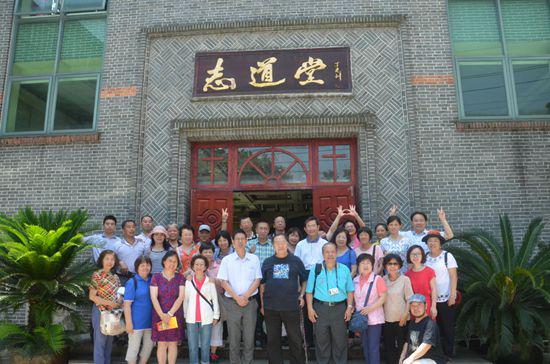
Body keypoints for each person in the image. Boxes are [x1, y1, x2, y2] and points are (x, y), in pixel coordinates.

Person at [260, 234, 308, 364]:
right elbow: (262, 284)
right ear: (273, 245)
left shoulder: (296, 261)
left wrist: (301, 295)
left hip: (291, 306)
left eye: (282, 242)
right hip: (271, 307)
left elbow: (304, 280)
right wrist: (263, 305)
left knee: (295, 339)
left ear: (286, 244)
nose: (280, 245)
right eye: (277, 243)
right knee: (273, 340)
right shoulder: (268, 262)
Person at [217, 229, 262, 364]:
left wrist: (245, 297)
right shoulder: (227, 260)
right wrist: (237, 298)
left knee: (249, 338)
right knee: (234, 338)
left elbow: (257, 280)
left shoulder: (254, 259)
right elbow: (223, 282)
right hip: (232, 303)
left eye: (243, 239)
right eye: (237, 239)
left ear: (246, 241)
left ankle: (247, 362)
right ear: (233, 242)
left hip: (250, 303)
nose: (240, 241)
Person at [305, 243, 354, 364]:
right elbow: (309, 291)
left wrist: (349, 308)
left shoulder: (344, 269)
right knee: (321, 340)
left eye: (332, 252)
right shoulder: (316, 269)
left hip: (340, 309)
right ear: (323, 254)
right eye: (327, 252)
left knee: (340, 339)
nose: (330, 254)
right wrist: (310, 309)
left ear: (336, 253)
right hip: (320, 309)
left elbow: (350, 290)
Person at [293, 216, 328, 347]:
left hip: (321, 277)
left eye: (314, 226)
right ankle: (308, 340)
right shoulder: (300, 244)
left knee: (320, 308)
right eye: (309, 226)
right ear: (305, 229)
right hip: (305, 277)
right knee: (306, 309)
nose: (312, 228)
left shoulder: (324, 243)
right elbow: (296, 264)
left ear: (318, 227)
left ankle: (321, 340)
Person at [425, 230, 458, 359]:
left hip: (445, 298)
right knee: (433, 328)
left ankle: (448, 354)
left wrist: (452, 295)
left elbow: (453, 277)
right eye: (430, 241)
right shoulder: (425, 257)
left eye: (435, 241)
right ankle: (436, 354)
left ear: (440, 243)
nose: (432, 243)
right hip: (430, 299)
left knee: (447, 327)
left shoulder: (447, 256)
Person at [184, 255, 220, 364]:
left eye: (201, 264)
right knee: (192, 346)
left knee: (205, 345)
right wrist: (185, 315)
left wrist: (216, 316)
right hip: (191, 318)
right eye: (196, 264)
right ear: (193, 267)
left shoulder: (210, 282)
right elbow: (185, 300)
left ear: (205, 267)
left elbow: (215, 299)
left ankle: (205, 362)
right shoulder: (188, 282)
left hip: (207, 318)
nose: (199, 267)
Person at [150, 251, 185, 364]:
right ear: (164, 262)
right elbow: (154, 297)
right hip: (159, 315)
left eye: (175, 262)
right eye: (170, 261)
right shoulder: (156, 277)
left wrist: (169, 314)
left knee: (173, 343)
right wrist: (162, 315)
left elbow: (181, 297)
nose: (172, 263)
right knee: (162, 343)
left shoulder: (180, 277)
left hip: (174, 315)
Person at [89, 250, 122, 364]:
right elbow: (92, 296)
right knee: (100, 342)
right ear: (102, 260)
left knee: (109, 342)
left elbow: (119, 294)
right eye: (107, 259)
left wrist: (119, 301)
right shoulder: (96, 275)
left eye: (112, 259)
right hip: (100, 312)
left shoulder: (116, 277)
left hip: (113, 313)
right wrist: (109, 303)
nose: (110, 261)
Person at [353, 253, 387, 364]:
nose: (365, 265)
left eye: (368, 263)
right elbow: (354, 300)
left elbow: (383, 298)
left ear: (373, 265)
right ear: (358, 266)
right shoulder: (355, 280)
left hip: (374, 319)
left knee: (373, 347)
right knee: (365, 346)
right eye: (362, 263)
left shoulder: (378, 279)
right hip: (361, 319)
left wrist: (370, 309)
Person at [246, 219, 274, 347]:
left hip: (269, 284)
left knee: (268, 311)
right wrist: (249, 254)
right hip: (252, 284)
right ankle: (256, 337)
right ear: (256, 230)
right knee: (254, 312)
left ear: (268, 231)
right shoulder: (249, 244)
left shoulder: (273, 245)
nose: (263, 231)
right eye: (260, 228)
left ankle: (267, 337)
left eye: (265, 229)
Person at [383, 254, 413, 364]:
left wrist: (406, 314)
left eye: (395, 264)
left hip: (402, 318)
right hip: (386, 318)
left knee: (402, 345)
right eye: (389, 264)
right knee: (389, 346)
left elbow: (410, 298)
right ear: (385, 266)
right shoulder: (382, 280)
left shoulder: (405, 279)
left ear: (400, 265)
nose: (392, 266)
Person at [124, 256, 154, 364]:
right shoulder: (132, 282)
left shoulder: (153, 280)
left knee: (148, 347)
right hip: (136, 323)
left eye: (147, 265)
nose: (145, 267)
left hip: (151, 322)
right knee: (133, 349)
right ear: (137, 267)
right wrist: (128, 323)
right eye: (142, 265)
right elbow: (126, 305)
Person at [400, 294, 445, 364]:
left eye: (419, 305)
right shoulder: (412, 323)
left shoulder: (430, 323)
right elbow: (407, 342)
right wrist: (402, 357)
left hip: (432, 359)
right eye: (413, 306)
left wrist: (410, 359)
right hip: (416, 358)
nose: (416, 308)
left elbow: (426, 345)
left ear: (426, 306)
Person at [199, 242, 224, 362]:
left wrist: (215, 280)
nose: (208, 254)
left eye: (210, 251)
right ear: (201, 253)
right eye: (205, 252)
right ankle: (203, 351)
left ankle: (213, 353)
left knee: (216, 326)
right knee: (202, 326)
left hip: (217, 300)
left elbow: (225, 282)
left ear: (214, 253)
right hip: (201, 302)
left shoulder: (219, 266)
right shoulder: (197, 266)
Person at [388, 206, 454, 251]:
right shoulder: (406, 235)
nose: (418, 223)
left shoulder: (431, 234)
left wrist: (443, 219)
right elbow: (393, 231)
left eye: (421, 220)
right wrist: (392, 216)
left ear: (425, 222)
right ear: (412, 222)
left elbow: (449, 236)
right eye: (416, 221)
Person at [405, 245, 437, 319]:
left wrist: (434, 306)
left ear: (422, 255)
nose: (415, 256)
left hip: (427, 306)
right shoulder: (407, 274)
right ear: (409, 256)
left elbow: (434, 290)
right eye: (412, 254)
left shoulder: (429, 271)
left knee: (428, 329)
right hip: (414, 307)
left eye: (418, 254)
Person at [115, 220, 147, 284]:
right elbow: (112, 258)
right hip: (122, 277)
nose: (131, 229)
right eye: (129, 227)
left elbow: (146, 259)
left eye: (133, 227)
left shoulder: (142, 243)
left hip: (139, 276)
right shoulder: (117, 244)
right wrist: (119, 262)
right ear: (123, 230)